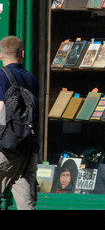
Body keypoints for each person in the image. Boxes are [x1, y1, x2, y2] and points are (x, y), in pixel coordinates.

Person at [0, 36, 39, 210]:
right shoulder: (31, 78)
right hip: (28, 149)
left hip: (5, 149)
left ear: (1, 55)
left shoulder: (1, 76)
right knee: (26, 204)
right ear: (22, 54)